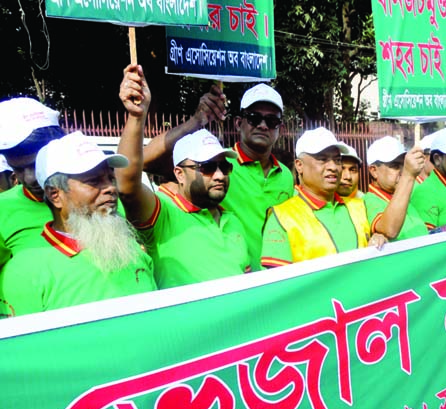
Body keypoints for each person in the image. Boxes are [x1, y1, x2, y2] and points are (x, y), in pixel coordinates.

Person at [113, 63, 250, 289]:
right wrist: (137, 116)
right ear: (179, 174)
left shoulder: (232, 221)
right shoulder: (164, 215)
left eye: (224, 167)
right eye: (206, 167)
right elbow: (127, 185)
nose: (218, 175)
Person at [0, 132, 156, 317]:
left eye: (110, 178)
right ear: (55, 195)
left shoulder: (129, 249)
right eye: (94, 181)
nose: (111, 188)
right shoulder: (24, 271)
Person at [260, 127, 376, 267]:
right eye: (322, 159)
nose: (333, 167)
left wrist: (380, 237)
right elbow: (278, 284)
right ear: (299, 166)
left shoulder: (359, 206)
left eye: (337, 160)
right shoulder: (282, 217)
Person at [223, 84, 294, 270]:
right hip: (237, 281)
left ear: (281, 128)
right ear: (239, 123)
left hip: (278, 278)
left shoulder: (286, 175)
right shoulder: (219, 167)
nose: (263, 126)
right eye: (254, 118)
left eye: (271, 121)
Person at [0, 98, 65, 265]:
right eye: (18, 169)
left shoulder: (101, 195)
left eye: (36, 165)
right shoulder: (3, 209)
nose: (30, 178)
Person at [363, 136, 429, 241]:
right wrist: (409, 175)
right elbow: (389, 230)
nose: (403, 171)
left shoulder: (401, 193)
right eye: (395, 166)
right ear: (374, 171)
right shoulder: (370, 200)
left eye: (403, 165)